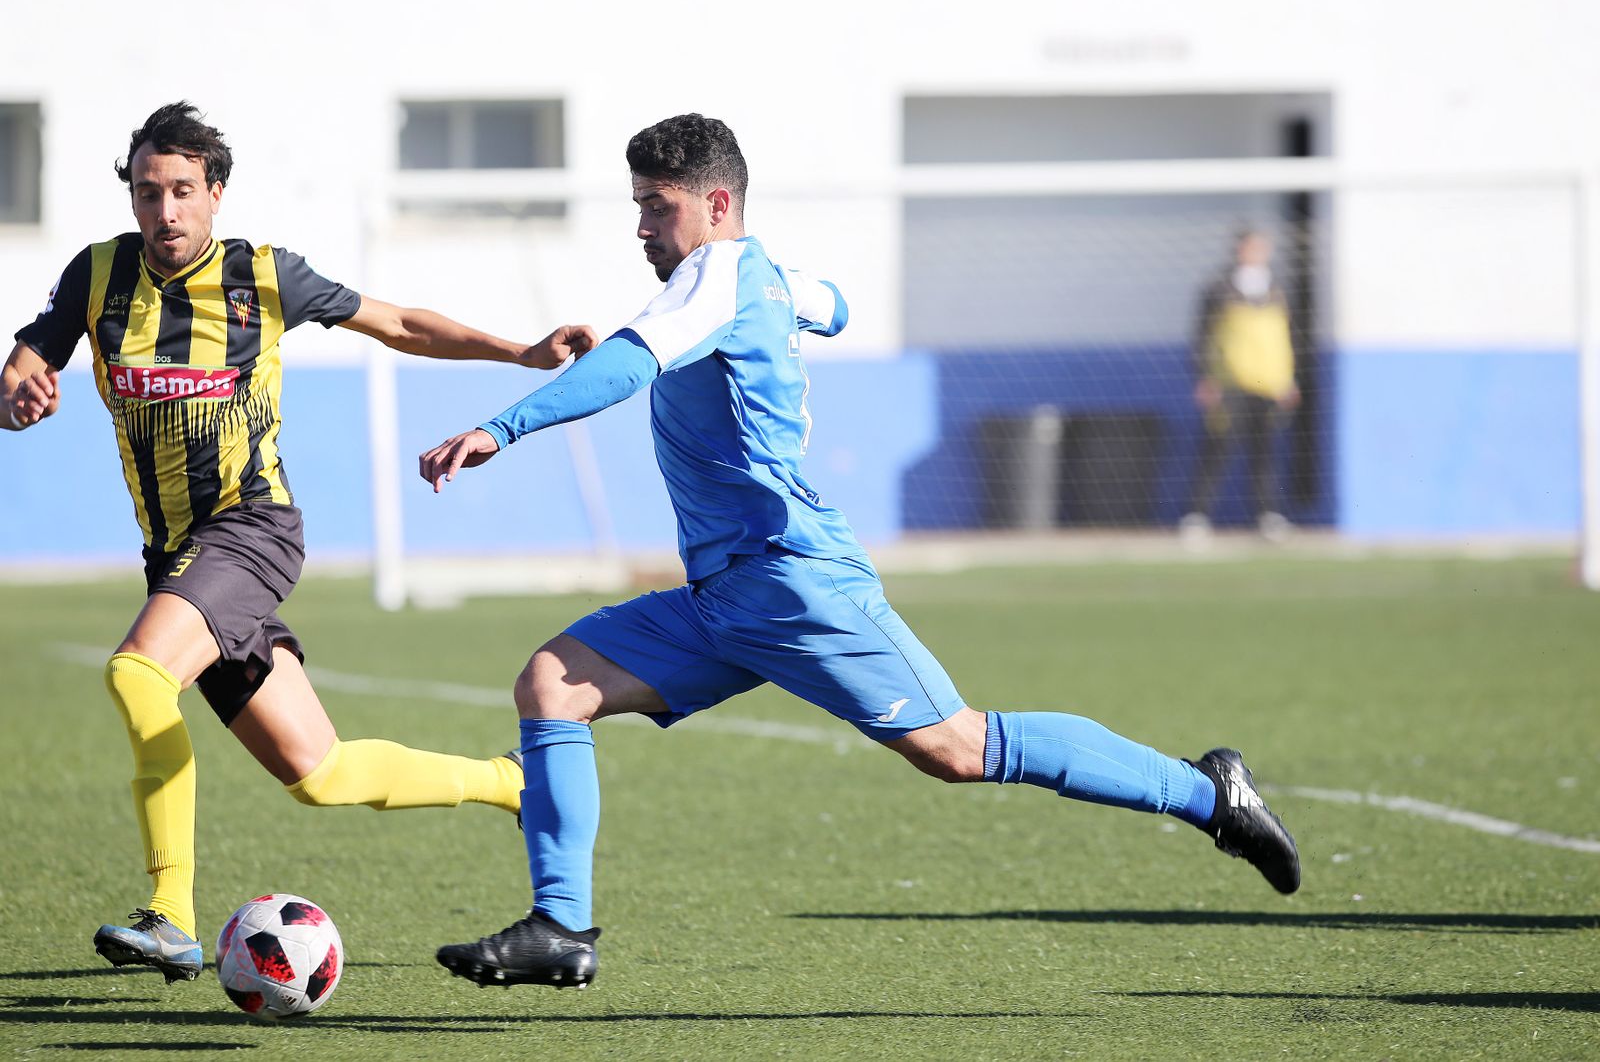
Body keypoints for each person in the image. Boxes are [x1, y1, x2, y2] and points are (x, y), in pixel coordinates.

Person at [420, 114, 1301, 991]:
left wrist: (504, 427)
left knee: (957, 748)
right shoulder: (753, 275)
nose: (642, 225)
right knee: (553, 683)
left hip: (792, 580)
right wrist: (795, 303)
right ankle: (561, 926)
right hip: (722, 596)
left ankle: (1209, 795)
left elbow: (627, 364)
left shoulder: (717, 272)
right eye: (640, 205)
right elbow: (833, 305)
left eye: (658, 205)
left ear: (716, 203)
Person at [1, 102, 597, 984]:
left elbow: (398, 324)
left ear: (216, 193)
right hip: (178, 561)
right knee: (319, 773)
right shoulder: (97, 276)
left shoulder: (264, 276)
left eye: (182, 192)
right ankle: (513, 784)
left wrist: (519, 351)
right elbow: (30, 357)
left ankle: (170, 915)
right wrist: (19, 384)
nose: (164, 212)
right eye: (146, 192)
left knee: (136, 672)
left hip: (251, 530)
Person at [1179, 229, 1301, 544]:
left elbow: (1284, 340)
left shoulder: (1276, 289)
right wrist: (1204, 377)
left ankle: (1267, 516)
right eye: (1250, 247)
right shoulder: (1218, 289)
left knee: (1264, 454)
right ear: (1238, 250)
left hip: (1269, 386)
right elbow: (1201, 336)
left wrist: (1287, 381)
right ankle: (1197, 516)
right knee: (1217, 451)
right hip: (1229, 384)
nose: (1256, 253)